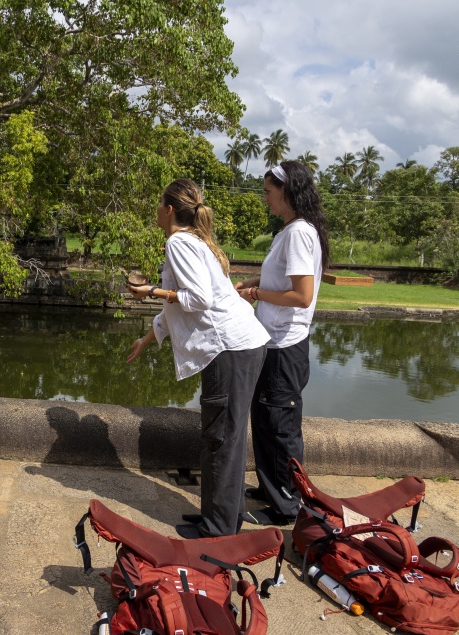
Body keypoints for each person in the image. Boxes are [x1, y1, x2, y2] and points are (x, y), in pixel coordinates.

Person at [126, 179, 270, 537]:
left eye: (159, 202)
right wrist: (148, 338)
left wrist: (151, 291)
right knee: (226, 435)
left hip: (230, 349)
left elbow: (198, 299)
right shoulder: (193, 241)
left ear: (170, 209)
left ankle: (219, 528)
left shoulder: (178, 241)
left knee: (220, 436)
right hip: (240, 345)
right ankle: (221, 516)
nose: (156, 209)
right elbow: (182, 308)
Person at [234, 161, 330, 526]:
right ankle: (270, 485)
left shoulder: (300, 233)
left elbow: (302, 295)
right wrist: (253, 282)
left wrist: (257, 292)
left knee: (280, 424)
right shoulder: (289, 231)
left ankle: (287, 506)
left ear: (287, 192)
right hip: (273, 342)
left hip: (285, 344)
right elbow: (282, 276)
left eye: (268, 192)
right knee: (264, 418)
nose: (265, 199)